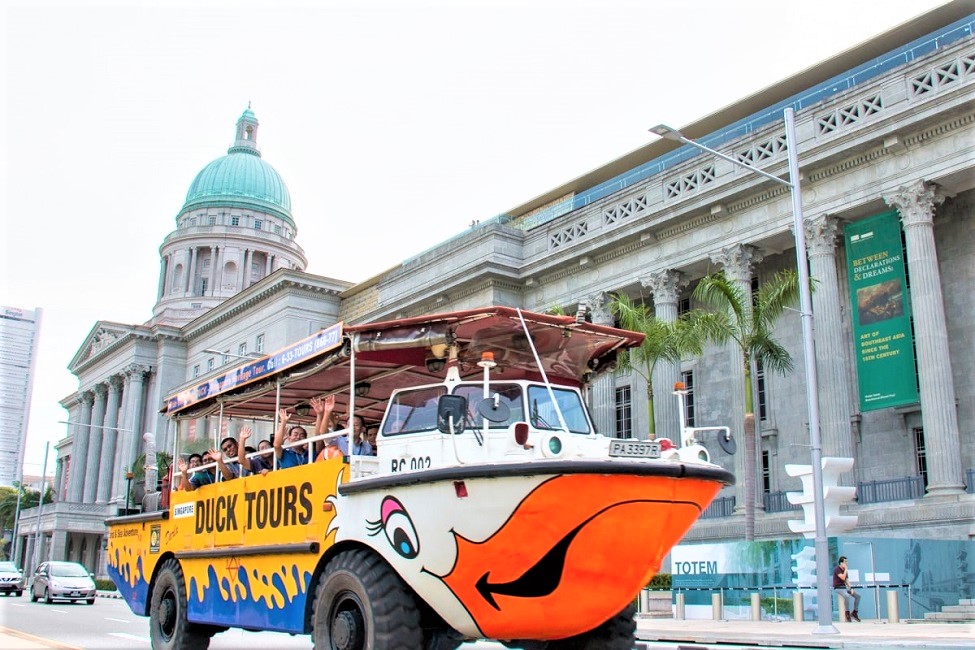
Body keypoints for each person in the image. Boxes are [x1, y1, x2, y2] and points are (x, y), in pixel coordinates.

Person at [833, 556, 861, 622]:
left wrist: (851, 588)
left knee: (858, 596)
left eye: (847, 561)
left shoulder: (845, 571)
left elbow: (847, 580)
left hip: (844, 587)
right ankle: (847, 612)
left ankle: (855, 612)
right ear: (841, 563)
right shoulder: (837, 569)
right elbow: (842, 577)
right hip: (838, 588)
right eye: (845, 562)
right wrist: (845, 570)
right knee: (847, 596)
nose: (847, 563)